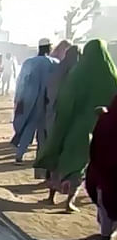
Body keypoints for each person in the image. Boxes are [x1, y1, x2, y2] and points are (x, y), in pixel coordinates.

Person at [35, 39, 117, 212]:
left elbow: (66, 101)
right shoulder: (112, 75)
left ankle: (51, 197)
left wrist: (60, 121)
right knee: (81, 164)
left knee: (60, 156)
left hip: (74, 125)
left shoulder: (78, 74)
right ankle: (69, 202)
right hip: (99, 127)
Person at [11, 38, 58, 163]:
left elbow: (21, 81)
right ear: (49, 48)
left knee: (28, 127)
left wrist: (18, 98)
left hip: (29, 101)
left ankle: (20, 154)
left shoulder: (29, 62)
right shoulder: (55, 63)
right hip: (46, 102)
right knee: (43, 131)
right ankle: (41, 158)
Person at [37, 44, 80, 179]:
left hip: (53, 116)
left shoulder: (57, 70)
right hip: (71, 120)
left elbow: (49, 94)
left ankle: (49, 179)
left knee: (53, 146)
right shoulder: (81, 73)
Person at [85, 95, 117, 240]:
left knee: (105, 205)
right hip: (108, 170)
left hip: (108, 172)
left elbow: (97, 146)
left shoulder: (108, 120)